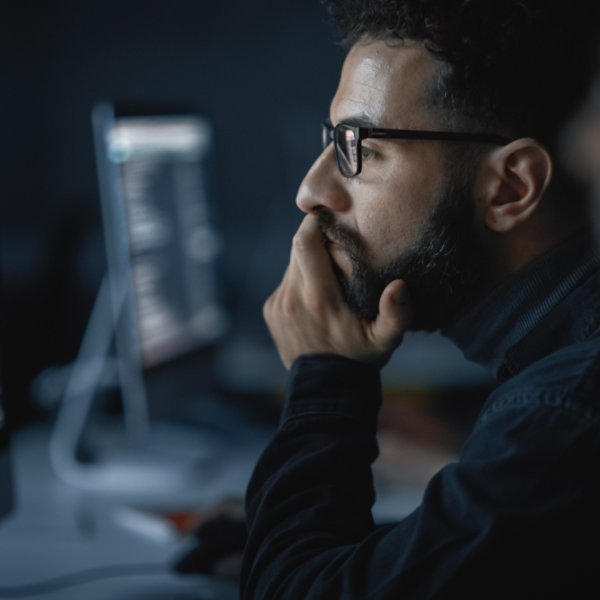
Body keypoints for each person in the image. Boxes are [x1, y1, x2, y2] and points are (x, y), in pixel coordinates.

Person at [241, 1, 600, 597]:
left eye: (359, 147)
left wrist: (326, 377)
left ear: (511, 187)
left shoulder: (562, 414)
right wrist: (311, 540)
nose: (311, 190)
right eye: (331, 139)